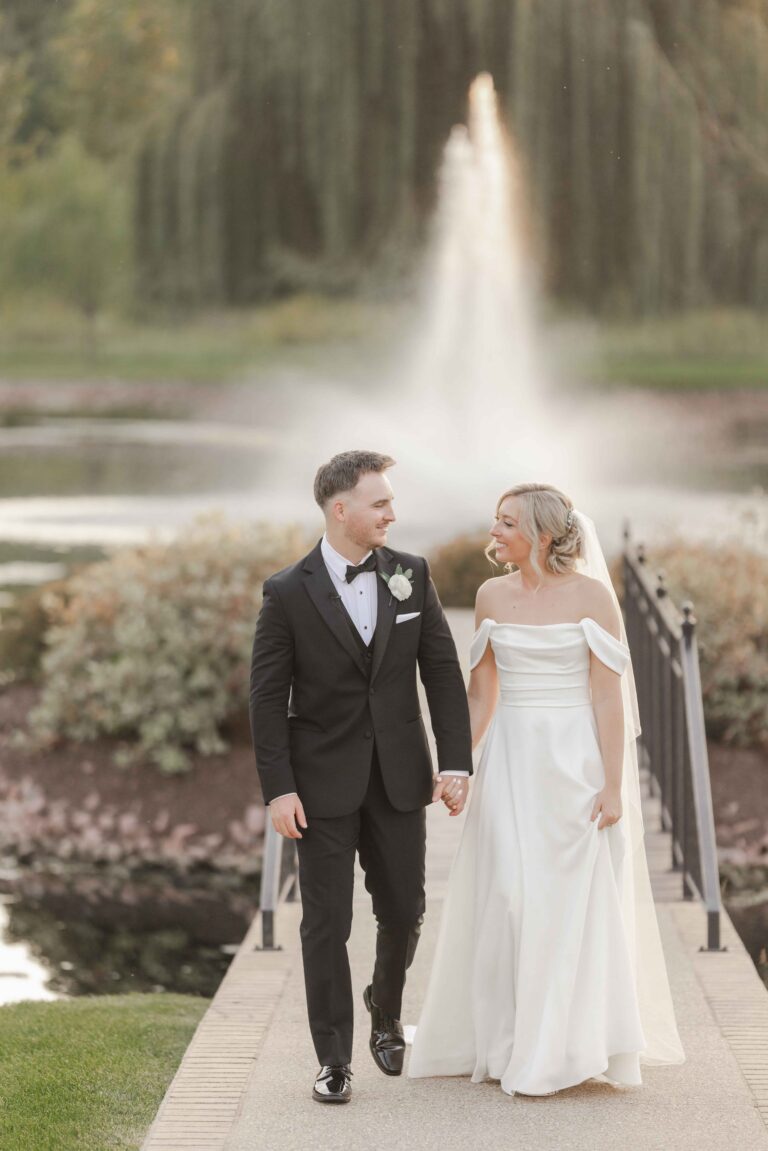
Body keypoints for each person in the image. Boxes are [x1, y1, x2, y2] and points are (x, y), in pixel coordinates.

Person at [408, 482, 685, 1096]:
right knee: (508, 893)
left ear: (543, 533)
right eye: (495, 520)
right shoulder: (489, 595)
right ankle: (507, 1040)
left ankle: (562, 1046)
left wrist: (612, 785)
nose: (494, 531)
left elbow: (608, 696)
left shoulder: (592, 597)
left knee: (566, 905)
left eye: (506, 522)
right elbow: (483, 694)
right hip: (511, 760)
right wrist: (457, 764)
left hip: (575, 763)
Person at [249, 450, 473, 1104]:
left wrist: (455, 760)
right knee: (325, 922)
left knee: (405, 909)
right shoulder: (287, 591)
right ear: (340, 508)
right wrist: (279, 786)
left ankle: (385, 1004)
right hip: (318, 785)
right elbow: (267, 697)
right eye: (380, 503)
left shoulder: (412, 574)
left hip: (401, 776)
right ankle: (333, 1059)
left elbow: (441, 672)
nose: (392, 513)